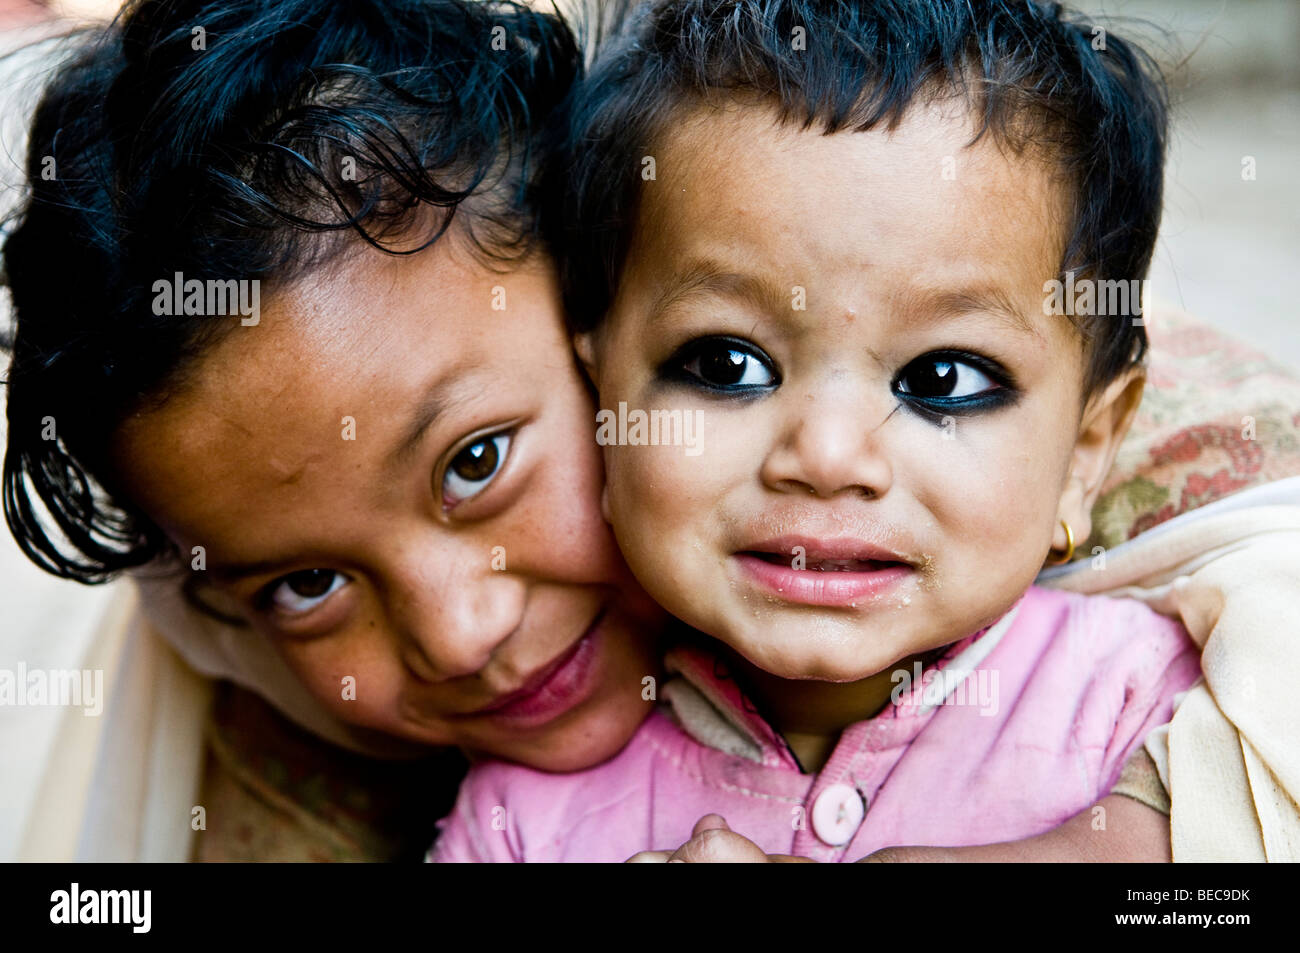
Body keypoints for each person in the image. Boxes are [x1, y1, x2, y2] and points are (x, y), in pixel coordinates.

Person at [431, 0, 1204, 863]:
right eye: (725, 364)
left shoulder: (1168, 707)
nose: (830, 457)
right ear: (598, 394)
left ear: (1086, 453)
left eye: (942, 380)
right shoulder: (517, 822)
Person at [2, 0, 668, 860]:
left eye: (476, 460)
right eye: (308, 582)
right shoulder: (280, 799)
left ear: (606, 295)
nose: (458, 636)